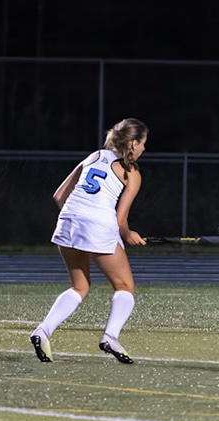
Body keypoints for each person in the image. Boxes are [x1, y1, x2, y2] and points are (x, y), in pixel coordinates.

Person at [30, 118, 149, 365]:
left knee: (80, 287)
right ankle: (110, 337)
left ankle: (43, 331)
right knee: (124, 286)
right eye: (143, 143)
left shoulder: (95, 156)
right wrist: (128, 235)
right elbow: (120, 220)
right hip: (98, 224)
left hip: (68, 219)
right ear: (134, 144)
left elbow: (59, 195)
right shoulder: (132, 172)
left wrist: (82, 221)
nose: (144, 149)